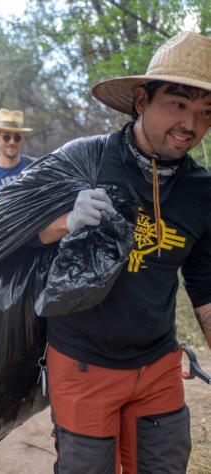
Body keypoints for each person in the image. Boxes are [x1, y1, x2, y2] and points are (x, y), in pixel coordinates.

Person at [31, 32, 211, 473]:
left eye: (205, 113)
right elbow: (10, 234)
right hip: (82, 363)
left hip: (158, 365)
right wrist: (66, 220)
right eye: (178, 103)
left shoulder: (201, 190)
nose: (190, 123)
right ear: (140, 100)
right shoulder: (84, 161)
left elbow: (205, 289)